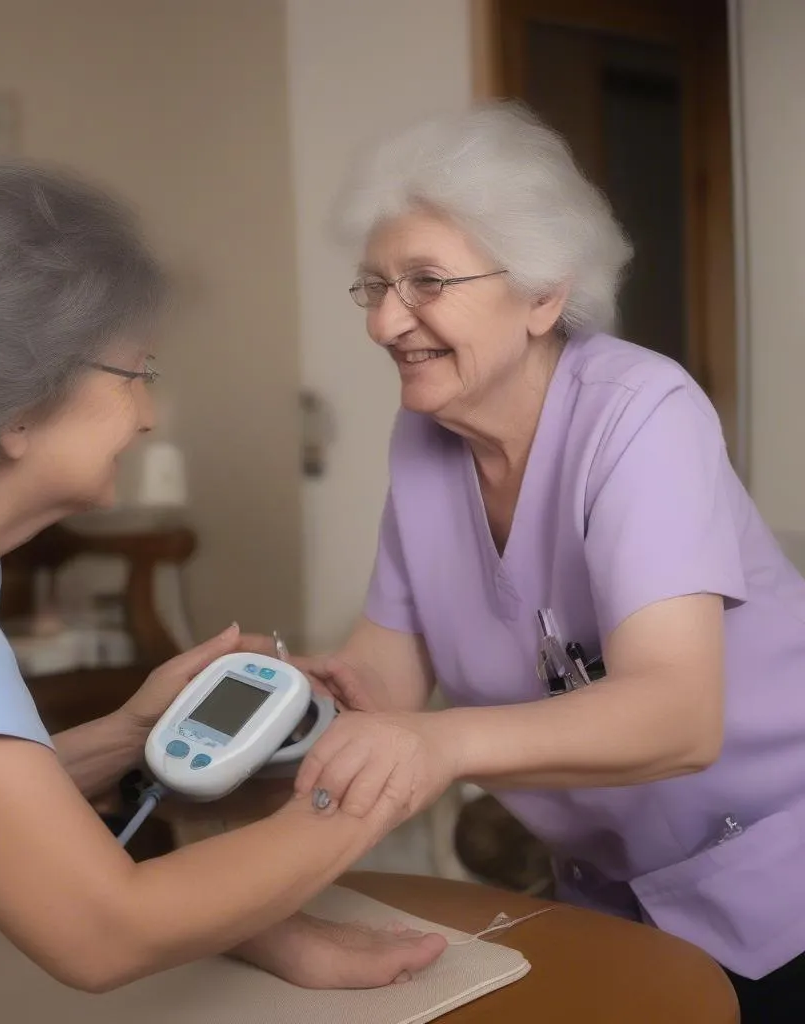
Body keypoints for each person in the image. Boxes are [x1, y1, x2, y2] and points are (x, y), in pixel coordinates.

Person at [0, 161, 447, 992]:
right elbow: (103, 936)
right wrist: (383, 779)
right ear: (17, 403)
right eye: (139, 372)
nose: (150, 414)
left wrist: (132, 730)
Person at [269, 102, 805, 1023]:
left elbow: (678, 715)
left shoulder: (642, 413)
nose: (387, 322)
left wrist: (441, 743)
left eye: (426, 281)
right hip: (608, 890)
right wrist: (291, 715)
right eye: (375, 285)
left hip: (780, 873)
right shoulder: (427, 435)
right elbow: (382, 682)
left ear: (544, 294)